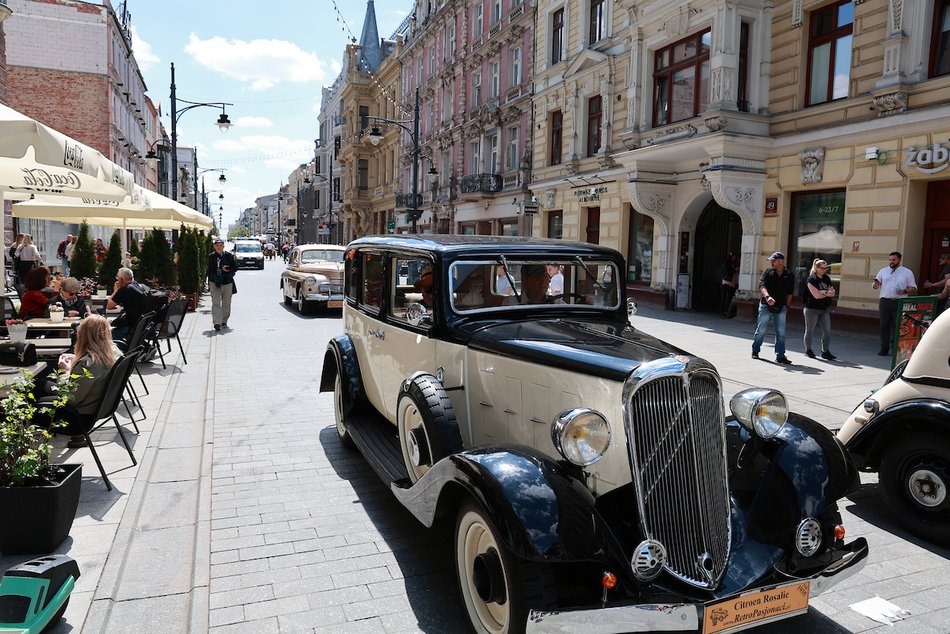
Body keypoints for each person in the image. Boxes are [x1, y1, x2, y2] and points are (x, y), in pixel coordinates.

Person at [37, 315, 120, 448]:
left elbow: (72, 399)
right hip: (95, 408)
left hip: (78, 418)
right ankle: (76, 440)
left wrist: (66, 371)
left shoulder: (90, 363)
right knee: (39, 385)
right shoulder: (113, 354)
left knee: (33, 397)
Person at [751, 252, 795, 364]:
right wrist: (767, 297)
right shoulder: (767, 272)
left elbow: (790, 292)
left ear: (780, 262)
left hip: (781, 306)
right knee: (761, 329)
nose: (771, 262)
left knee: (781, 332)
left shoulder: (789, 274)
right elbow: (762, 286)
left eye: (773, 261)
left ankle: (780, 355)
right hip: (766, 305)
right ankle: (755, 350)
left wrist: (787, 306)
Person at [872, 251, 917, 356]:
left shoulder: (907, 272)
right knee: (884, 325)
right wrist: (875, 284)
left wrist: (905, 291)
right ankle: (884, 348)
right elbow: (875, 286)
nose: (891, 262)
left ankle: (896, 348)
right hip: (885, 301)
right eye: (890, 260)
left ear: (899, 260)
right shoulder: (883, 271)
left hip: (899, 302)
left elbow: (913, 288)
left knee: (898, 326)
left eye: (894, 260)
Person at [802, 259, 837, 360]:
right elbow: (816, 295)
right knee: (810, 330)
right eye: (822, 268)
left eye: (826, 268)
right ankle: (808, 350)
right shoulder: (811, 279)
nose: (825, 270)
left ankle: (825, 351)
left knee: (827, 330)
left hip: (824, 309)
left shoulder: (826, 278)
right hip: (811, 309)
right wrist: (826, 293)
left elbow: (833, 292)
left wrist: (824, 292)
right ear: (816, 268)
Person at [107, 267, 149, 342]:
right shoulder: (141, 286)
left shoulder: (125, 289)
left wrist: (116, 291)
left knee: (108, 334)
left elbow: (109, 306)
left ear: (120, 279)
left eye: (117, 278)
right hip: (145, 325)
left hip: (132, 326)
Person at [208, 238, 237, 331]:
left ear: (223, 246)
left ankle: (224, 321)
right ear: (214, 247)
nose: (219, 247)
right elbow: (209, 270)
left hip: (227, 282)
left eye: (220, 245)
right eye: (217, 246)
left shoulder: (229, 256)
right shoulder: (211, 256)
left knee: (226, 303)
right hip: (214, 282)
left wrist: (227, 271)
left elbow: (235, 268)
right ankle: (217, 322)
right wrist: (213, 278)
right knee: (216, 302)